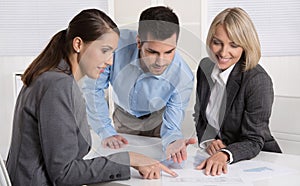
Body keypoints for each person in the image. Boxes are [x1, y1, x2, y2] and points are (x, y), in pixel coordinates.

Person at [6, 9, 177, 186]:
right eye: (105, 50)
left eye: (112, 53)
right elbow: (64, 173)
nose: (111, 61)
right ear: (78, 44)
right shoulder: (57, 85)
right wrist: (128, 159)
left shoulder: (52, 76)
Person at [82, 6, 196, 164]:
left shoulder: (183, 77)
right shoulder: (115, 46)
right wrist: (105, 131)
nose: (160, 61)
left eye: (169, 52)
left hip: (158, 121)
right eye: (153, 52)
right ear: (138, 42)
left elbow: (172, 126)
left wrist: (172, 141)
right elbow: (93, 89)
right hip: (123, 118)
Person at [194, 7, 282, 176]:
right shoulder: (204, 68)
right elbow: (200, 116)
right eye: (217, 42)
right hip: (218, 161)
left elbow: (254, 139)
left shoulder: (257, 80)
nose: (223, 52)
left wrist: (225, 154)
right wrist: (208, 140)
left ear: (245, 46)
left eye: (233, 45)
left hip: (258, 161)